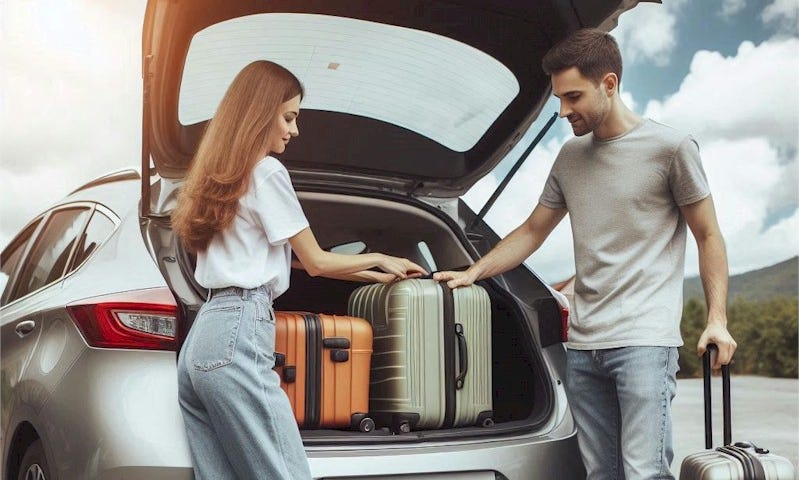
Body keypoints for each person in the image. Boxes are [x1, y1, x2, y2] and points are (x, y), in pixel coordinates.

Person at [434, 29, 737, 479]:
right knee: (600, 474)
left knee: (644, 472)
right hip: (584, 345)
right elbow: (533, 230)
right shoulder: (570, 158)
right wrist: (474, 272)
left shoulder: (671, 149)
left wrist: (717, 319)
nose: (563, 111)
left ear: (609, 84)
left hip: (644, 342)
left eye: (573, 97)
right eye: (559, 98)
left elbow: (709, 235)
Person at [171, 60, 426, 480]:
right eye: (289, 117)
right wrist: (378, 258)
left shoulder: (218, 179)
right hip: (239, 331)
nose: (294, 130)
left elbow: (281, 260)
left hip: (202, 343)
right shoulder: (267, 171)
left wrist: (374, 277)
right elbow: (317, 260)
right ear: (259, 112)